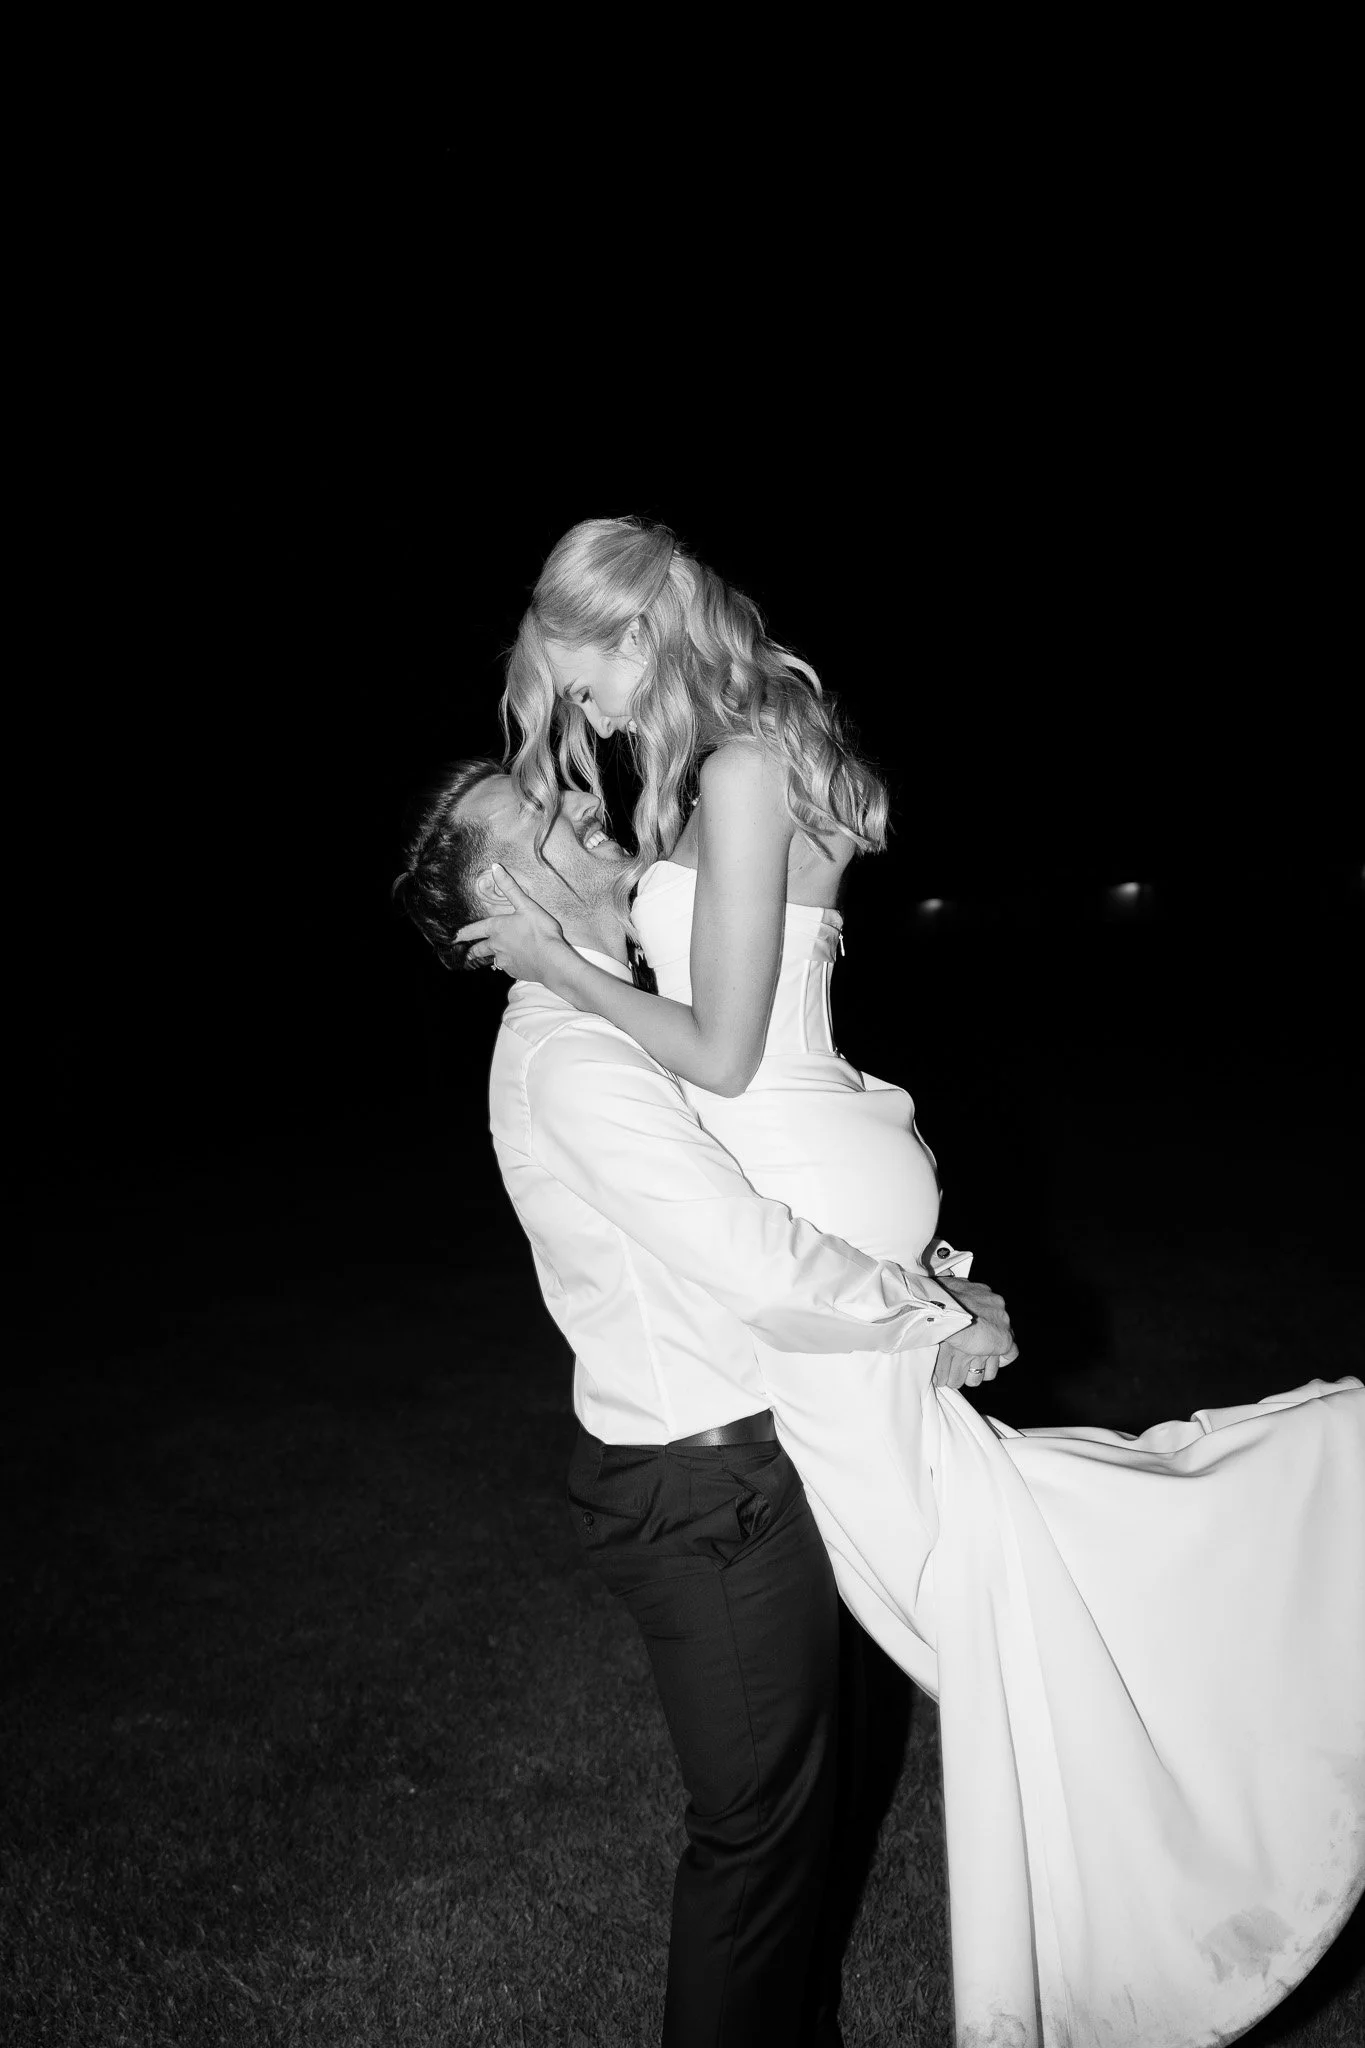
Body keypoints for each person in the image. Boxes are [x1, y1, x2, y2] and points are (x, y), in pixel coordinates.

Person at [452, 515, 1365, 2048]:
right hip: (822, 1213)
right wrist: (922, 1290)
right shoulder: (723, 769)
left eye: (587, 688)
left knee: (987, 1595)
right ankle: (1237, 1652)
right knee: (987, 1573)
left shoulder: (735, 773)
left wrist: (561, 968)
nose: (592, 734)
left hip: (803, 1205)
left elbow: (730, 1055)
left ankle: (1261, 1622)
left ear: (634, 633)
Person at [393, 758, 1017, 2048]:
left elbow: (788, 1186)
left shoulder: (626, 1021)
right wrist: (933, 1316)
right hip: (706, 1492)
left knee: (795, 1831)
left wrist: (935, 1283)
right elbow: (753, 1255)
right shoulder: (571, 1056)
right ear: (511, 898)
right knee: (755, 1856)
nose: (592, 810)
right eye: (553, 821)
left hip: (746, 1466)